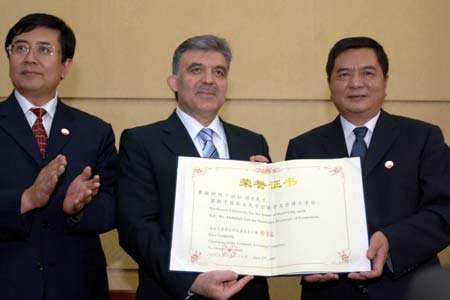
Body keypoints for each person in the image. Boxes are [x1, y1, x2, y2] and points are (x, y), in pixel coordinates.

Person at [285, 36, 450, 300]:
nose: (356, 83)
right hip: (329, 292)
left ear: (385, 81)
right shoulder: (304, 147)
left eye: (368, 73)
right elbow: (291, 223)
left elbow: (444, 209)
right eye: (344, 74)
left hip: (408, 289)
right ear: (329, 85)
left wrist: (392, 241)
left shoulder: (423, 138)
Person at [116, 35, 270, 300]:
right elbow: (136, 229)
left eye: (219, 72)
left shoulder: (252, 142)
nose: (209, 80)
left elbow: (269, 229)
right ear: (174, 82)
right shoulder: (141, 142)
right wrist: (192, 281)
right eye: (196, 69)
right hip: (173, 293)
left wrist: (270, 190)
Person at [0, 13, 117, 300]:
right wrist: (26, 199)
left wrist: (78, 210)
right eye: (20, 47)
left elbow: (115, 204)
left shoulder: (95, 130)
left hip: (76, 284)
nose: (29, 58)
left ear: (65, 66)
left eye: (44, 49)